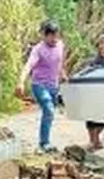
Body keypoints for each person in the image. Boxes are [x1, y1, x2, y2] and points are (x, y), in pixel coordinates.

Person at [16, 20, 67, 152]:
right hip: (39, 85)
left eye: (56, 35)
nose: (54, 39)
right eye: (51, 36)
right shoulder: (38, 49)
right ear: (44, 35)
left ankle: (45, 140)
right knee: (49, 109)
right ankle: (44, 143)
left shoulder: (60, 45)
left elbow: (60, 62)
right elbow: (29, 65)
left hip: (54, 85)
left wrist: (63, 74)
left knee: (49, 113)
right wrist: (21, 82)